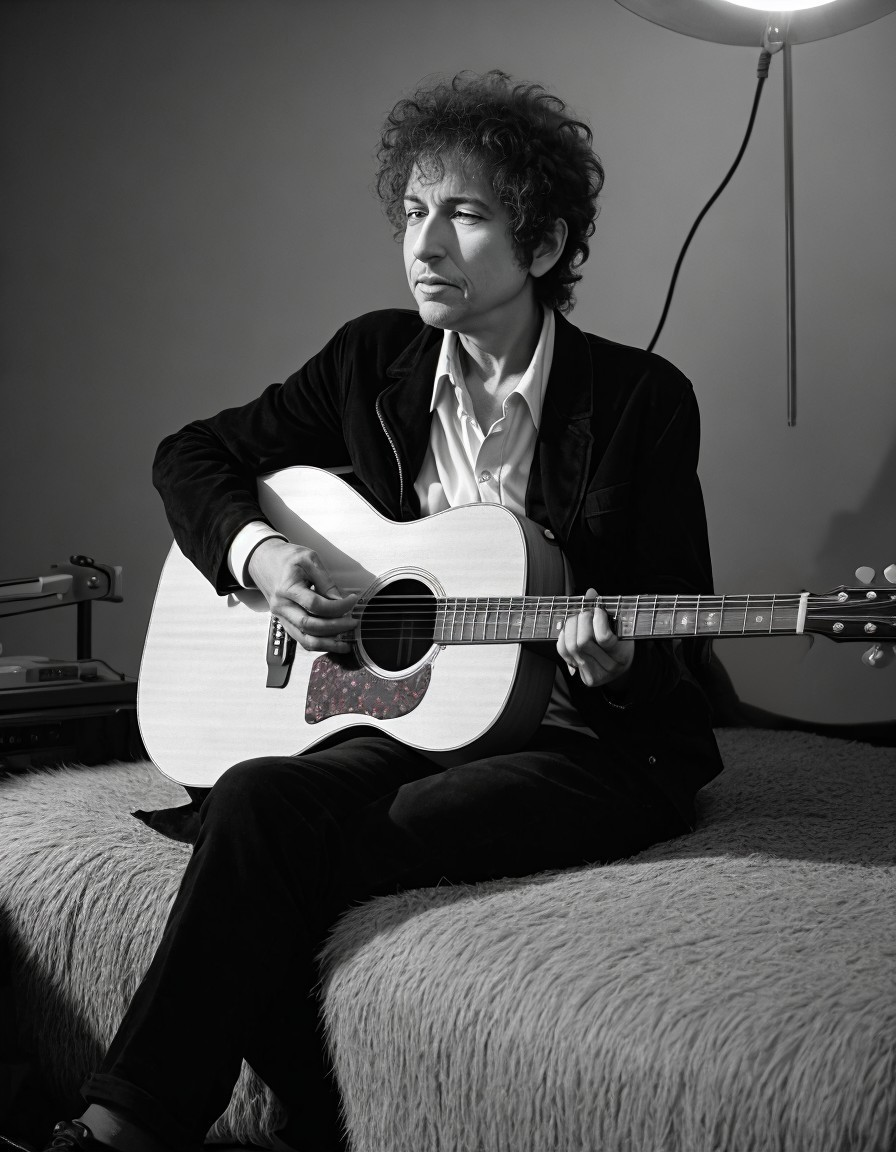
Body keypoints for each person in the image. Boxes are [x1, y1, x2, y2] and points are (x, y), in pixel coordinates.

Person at [39, 70, 722, 1152]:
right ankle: (158, 1128)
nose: (424, 244)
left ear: (541, 247)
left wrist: (618, 665)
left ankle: (167, 1128)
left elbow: (679, 637)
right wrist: (262, 558)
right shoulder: (372, 362)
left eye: (462, 213)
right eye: (411, 211)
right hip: (402, 723)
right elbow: (192, 457)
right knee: (259, 794)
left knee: (276, 839)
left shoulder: (639, 401)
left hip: (579, 741)